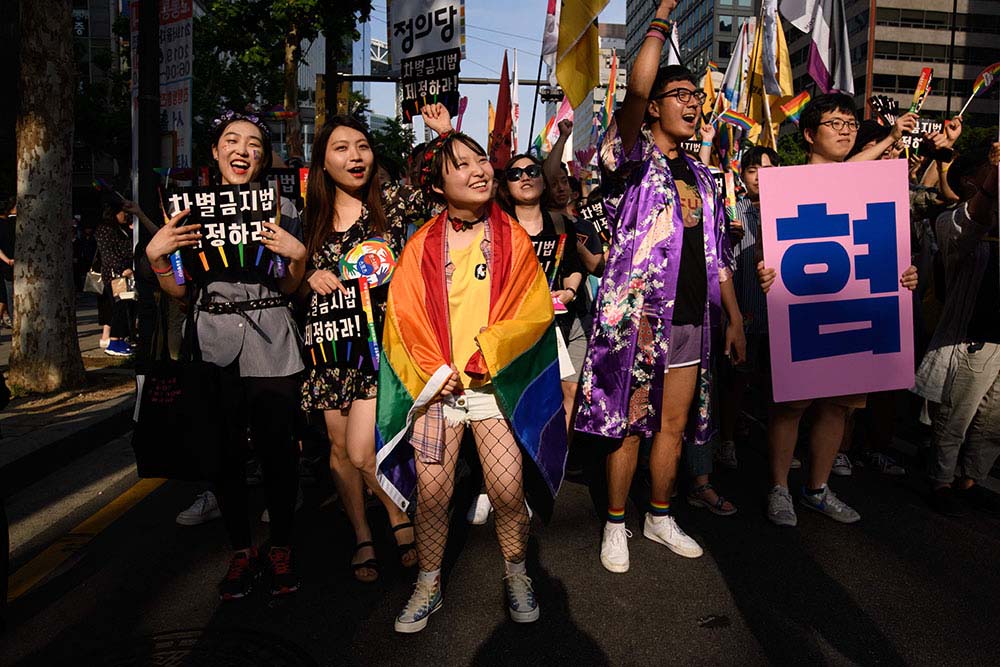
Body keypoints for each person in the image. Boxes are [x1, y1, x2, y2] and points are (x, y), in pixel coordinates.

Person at [575, 0, 746, 574]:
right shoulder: (633, 158)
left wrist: (738, 318)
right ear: (654, 110)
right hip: (640, 320)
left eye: (698, 99)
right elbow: (634, 91)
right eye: (682, 97)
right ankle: (616, 522)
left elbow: (718, 255)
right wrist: (662, 17)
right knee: (628, 423)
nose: (694, 105)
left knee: (674, 424)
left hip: (694, 320)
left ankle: (660, 514)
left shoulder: (704, 174)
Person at [375, 130, 566, 633]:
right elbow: (404, 316)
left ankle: (517, 573)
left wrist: (487, 355)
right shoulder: (419, 247)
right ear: (438, 186)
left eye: (481, 159)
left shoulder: (512, 238)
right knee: (433, 497)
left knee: (506, 491)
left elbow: (533, 309)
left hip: (490, 387)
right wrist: (435, 374)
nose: (479, 169)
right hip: (437, 388)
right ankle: (428, 583)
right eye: (460, 164)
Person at [145, 110, 309, 599]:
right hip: (212, 339)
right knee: (222, 454)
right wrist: (158, 258)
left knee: (279, 452)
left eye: (255, 144)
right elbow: (179, 291)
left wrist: (297, 258)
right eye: (232, 141)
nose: (243, 150)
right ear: (215, 152)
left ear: (264, 157)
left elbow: (289, 285)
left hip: (273, 338)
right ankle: (241, 551)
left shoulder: (284, 209)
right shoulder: (187, 212)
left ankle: (280, 548)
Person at [756, 93, 919, 527]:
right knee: (792, 406)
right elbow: (767, 251)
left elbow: (885, 246)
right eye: (835, 122)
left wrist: (902, 276)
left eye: (850, 122)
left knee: (837, 406)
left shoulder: (868, 182)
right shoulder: (787, 186)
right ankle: (778, 488)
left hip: (851, 311)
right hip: (804, 310)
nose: (846, 129)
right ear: (810, 134)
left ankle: (816, 489)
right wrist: (766, 273)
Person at [299, 112, 434, 582]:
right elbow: (290, 280)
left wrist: (441, 134)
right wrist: (306, 275)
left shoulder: (392, 205)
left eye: (362, 146)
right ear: (322, 162)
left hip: (377, 348)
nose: (355, 156)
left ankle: (400, 516)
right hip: (327, 350)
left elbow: (445, 187)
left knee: (362, 450)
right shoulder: (309, 220)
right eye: (341, 148)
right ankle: (362, 534)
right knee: (337, 448)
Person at [915, 143, 1000, 517]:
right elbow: (977, 220)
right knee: (958, 414)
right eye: (989, 167)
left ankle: (972, 479)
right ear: (970, 180)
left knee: (993, 417)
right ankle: (942, 480)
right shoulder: (950, 220)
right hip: (970, 338)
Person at [717, 146, 779, 470]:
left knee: (777, 384)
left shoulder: (787, 208)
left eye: (768, 168)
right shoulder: (732, 210)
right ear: (743, 175)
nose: (760, 176)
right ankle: (726, 441)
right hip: (744, 309)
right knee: (736, 380)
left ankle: (778, 444)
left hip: (781, 312)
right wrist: (726, 235)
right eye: (754, 169)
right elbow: (716, 258)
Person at [95, 200, 137, 356]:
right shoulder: (105, 230)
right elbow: (108, 254)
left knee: (127, 305)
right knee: (120, 307)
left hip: (125, 272)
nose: (126, 216)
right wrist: (121, 268)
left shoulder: (121, 228)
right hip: (115, 275)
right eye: (123, 213)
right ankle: (114, 341)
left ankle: (120, 339)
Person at [0, 201, 15, 328]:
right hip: (9, 263)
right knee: (7, 294)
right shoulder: (9, 224)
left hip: (8, 263)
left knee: (6, 294)